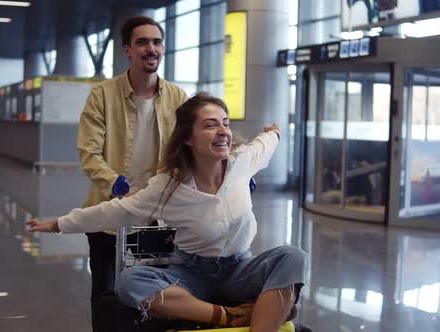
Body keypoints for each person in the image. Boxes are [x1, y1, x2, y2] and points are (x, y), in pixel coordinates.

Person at [28, 93, 309, 332]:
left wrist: (275, 131)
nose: (223, 131)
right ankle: (231, 315)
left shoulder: (242, 162)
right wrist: (57, 224)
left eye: (225, 123)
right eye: (210, 125)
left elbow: (267, 142)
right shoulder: (168, 185)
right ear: (188, 138)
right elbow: (113, 212)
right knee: (130, 282)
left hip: (239, 271)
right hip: (191, 275)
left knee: (293, 256)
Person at [77, 16, 187, 331]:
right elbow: (89, 151)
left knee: (157, 294)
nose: (151, 48)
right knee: (107, 295)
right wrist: (114, 182)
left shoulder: (178, 98)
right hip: (109, 218)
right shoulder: (103, 95)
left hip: (157, 220)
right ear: (128, 49)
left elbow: (198, 142)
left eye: (156, 42)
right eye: (142, 42)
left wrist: (230, 168)